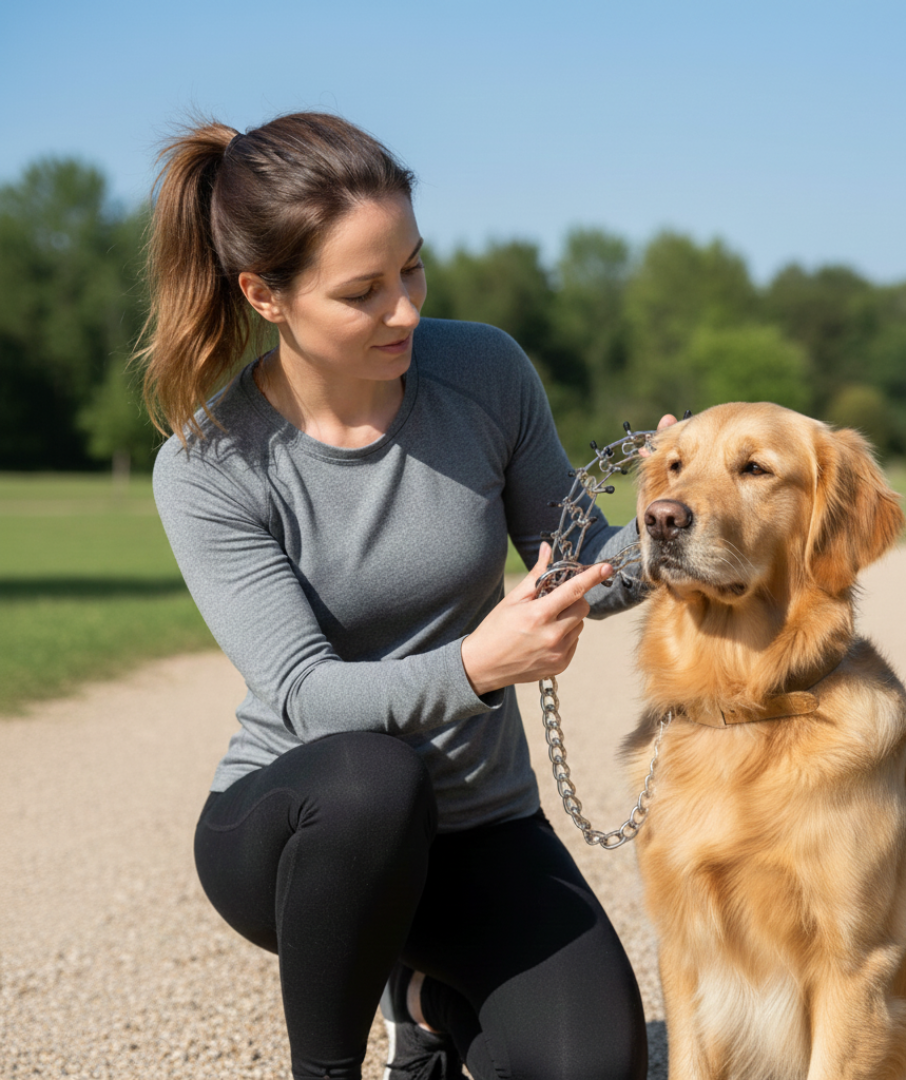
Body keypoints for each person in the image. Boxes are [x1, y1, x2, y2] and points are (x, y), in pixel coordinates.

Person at [142, 112, 669, 1080]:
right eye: (364, 291)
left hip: (481, 823)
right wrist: (477, 667)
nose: (406, 312)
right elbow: (305, 695)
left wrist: (687, 514)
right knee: (374, 781)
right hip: (312, 838)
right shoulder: (208, 468)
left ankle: (422, 996)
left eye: (413, 270)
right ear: (266, 295)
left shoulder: (486, 374)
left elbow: (587, 560)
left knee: (595, 1065)